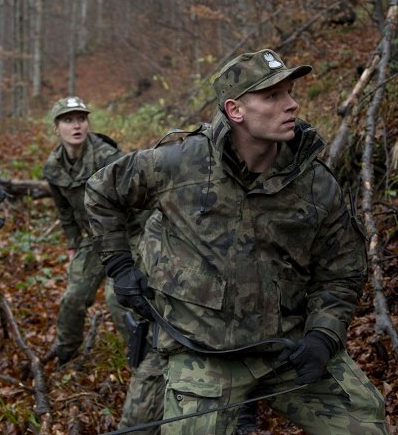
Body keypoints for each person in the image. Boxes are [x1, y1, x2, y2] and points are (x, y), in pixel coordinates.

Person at [85, 49, 389, 434]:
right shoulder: (180, 163)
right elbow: (102, 190)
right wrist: (120, 266)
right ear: (235, 110)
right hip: (205, 353)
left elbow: (342, 272)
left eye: (290, 92)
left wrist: (323, 335)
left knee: (366, 422)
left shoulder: (316, 185)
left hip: (287, 348)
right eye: (272, 96)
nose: (291, 104)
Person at [43, 96, 148, 366]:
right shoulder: (53, 166)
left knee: (118, 297)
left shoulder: (108, 157)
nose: (76, 125)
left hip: (130, 234)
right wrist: (71, 243)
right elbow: (64, 210)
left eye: (81, 119)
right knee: (73, 296)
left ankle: (145, 360)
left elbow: (142, 197)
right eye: (68, 120)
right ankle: (65, 352)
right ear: (57, 128)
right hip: (95, 239)